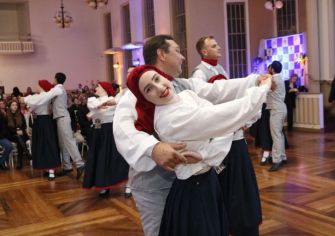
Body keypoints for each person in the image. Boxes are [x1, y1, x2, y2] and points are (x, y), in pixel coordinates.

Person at [113, 34, 270, 236]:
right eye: (177, 51)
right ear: (162, 54)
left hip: (189, 180)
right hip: (155, 183)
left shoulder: (183, 86)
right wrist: (153, 148)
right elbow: (122, 128)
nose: (182, 57)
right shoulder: (134, 94)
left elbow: (217, 90)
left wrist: (254, 80)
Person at [191, 35, 262, 235]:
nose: (219, 47)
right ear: (204, 52)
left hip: (233, 132)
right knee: (228, 184)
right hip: (220, 134)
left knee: (240, 183)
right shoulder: (199, 74)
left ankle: (241, 222)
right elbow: (205, 102)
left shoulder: (221, 69)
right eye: (214, 46)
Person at [32, 73, 85, 179]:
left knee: (68, 141)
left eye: (53, 78)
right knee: (62, 144)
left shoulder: (58, 88)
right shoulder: (58, 89)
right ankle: (67, 167)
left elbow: (46, 96)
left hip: (63, 118)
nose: (52, 80)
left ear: (56, 79)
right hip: (59, 118)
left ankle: (80, 164)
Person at [82, 82, 129, 197]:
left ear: (104, 88)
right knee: (100, 159)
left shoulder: (113, 99)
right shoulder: (92, 100)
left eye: (98, 86)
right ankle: (104, 185)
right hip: (98, 130)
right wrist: (103, 106)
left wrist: (99, 109)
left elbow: (120, 104)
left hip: (111, 131)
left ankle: (128, 185)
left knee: (117, 158)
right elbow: (94, 108)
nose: (96, 88)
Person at [24, 80, 61, 180]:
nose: (36, 86)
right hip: (38, 122)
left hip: (45, 121)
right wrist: (28, 109)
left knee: (48, 144)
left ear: (41, 86)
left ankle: (51, 171)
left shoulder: (45, 95)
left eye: (38, 84)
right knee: (40, 145)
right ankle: (46, 168)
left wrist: (25, 99)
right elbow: (31, 106)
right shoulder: (39, 96)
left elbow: (35, 101)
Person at [266, 61, 287, 171]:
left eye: (269, 68)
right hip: (282, 108)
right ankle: (282, 156)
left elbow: (264, 87)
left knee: (276, 135)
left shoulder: (272, 79)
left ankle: (276, 160)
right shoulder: (280, 78)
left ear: (272, 69)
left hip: (276, 110)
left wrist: (267, 73)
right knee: (280, 134)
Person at [6, 100, 30, 169]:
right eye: (13, 105)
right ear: (10, 107)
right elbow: (7, 128)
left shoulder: (20, 114)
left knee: (20, 139)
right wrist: (16, 131)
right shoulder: (7, 115)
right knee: (19, 138)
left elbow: (24, 125)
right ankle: (27, 153)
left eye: (16, 105)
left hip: (21, 134)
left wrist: (22, 131)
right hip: (11, 135)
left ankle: (20, 163)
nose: (15, 106)